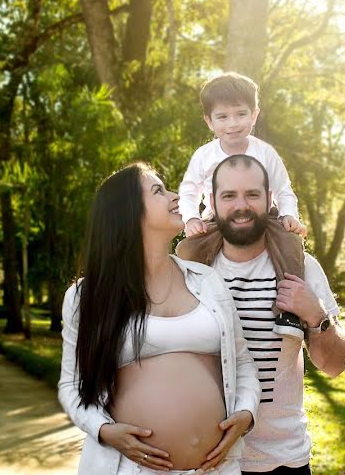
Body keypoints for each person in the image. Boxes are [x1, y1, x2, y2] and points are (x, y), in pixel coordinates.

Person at [58, 163, 261, 475]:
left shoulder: (207, 281)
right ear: (128, 214)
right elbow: (72, 385)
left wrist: (246, 413)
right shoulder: (87, 297)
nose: (175, 196)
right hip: (128, 469)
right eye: (158, 191)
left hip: (215, 470)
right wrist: (104, 430)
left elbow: (243, 362)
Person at [188, 154, 345, 475]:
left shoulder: (301, 268)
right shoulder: (190, 273)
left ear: (269, 198)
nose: (241, 205)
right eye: (229, 195)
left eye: (252, 194)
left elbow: (334, 366)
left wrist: (317, 317)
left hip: (282, 460)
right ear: (212, 201)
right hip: (207, 461)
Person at [177, 72, 307, 339]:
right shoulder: (205, 156)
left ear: (254, 115)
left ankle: (289, 312)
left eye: (240, 114)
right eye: (222, 117)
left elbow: (284, 189)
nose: (232, 124)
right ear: (209, 122)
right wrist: (191, 218)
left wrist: (289, 215)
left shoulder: (265, 153)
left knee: (291, 243)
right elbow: (188, 190)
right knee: (186, 249)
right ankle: (191, 311)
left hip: (264, 218)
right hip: (217, 220)